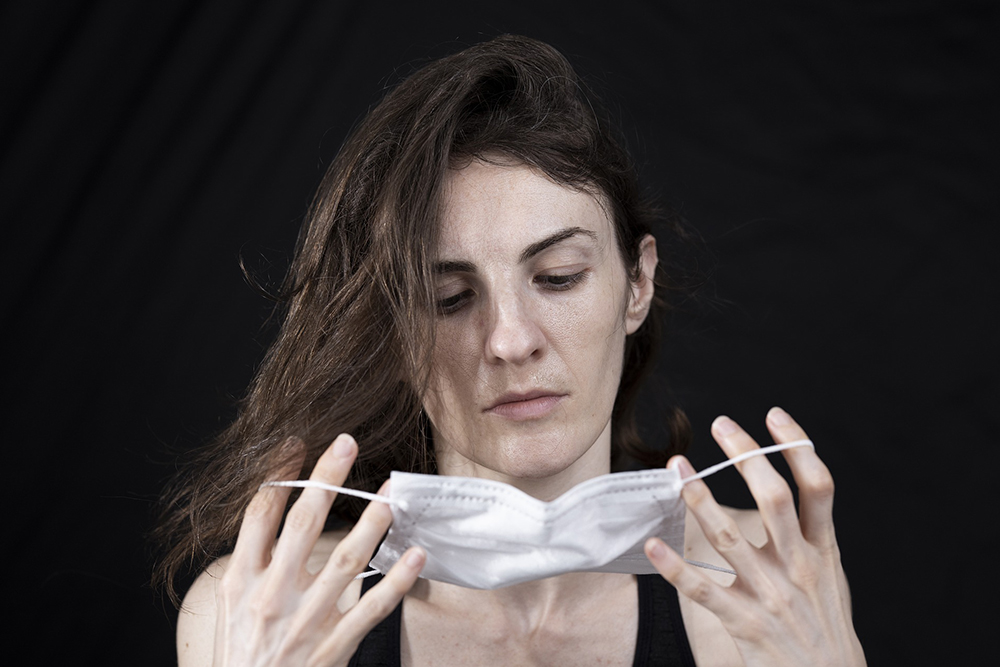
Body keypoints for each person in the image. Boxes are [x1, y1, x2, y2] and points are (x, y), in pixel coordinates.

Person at [156, 34, 866, 666]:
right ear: (396, 327)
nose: (509, 340)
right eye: (448, 298)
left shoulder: (770, 589)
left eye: (558, 278)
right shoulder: (255, 608)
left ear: (637, 284)